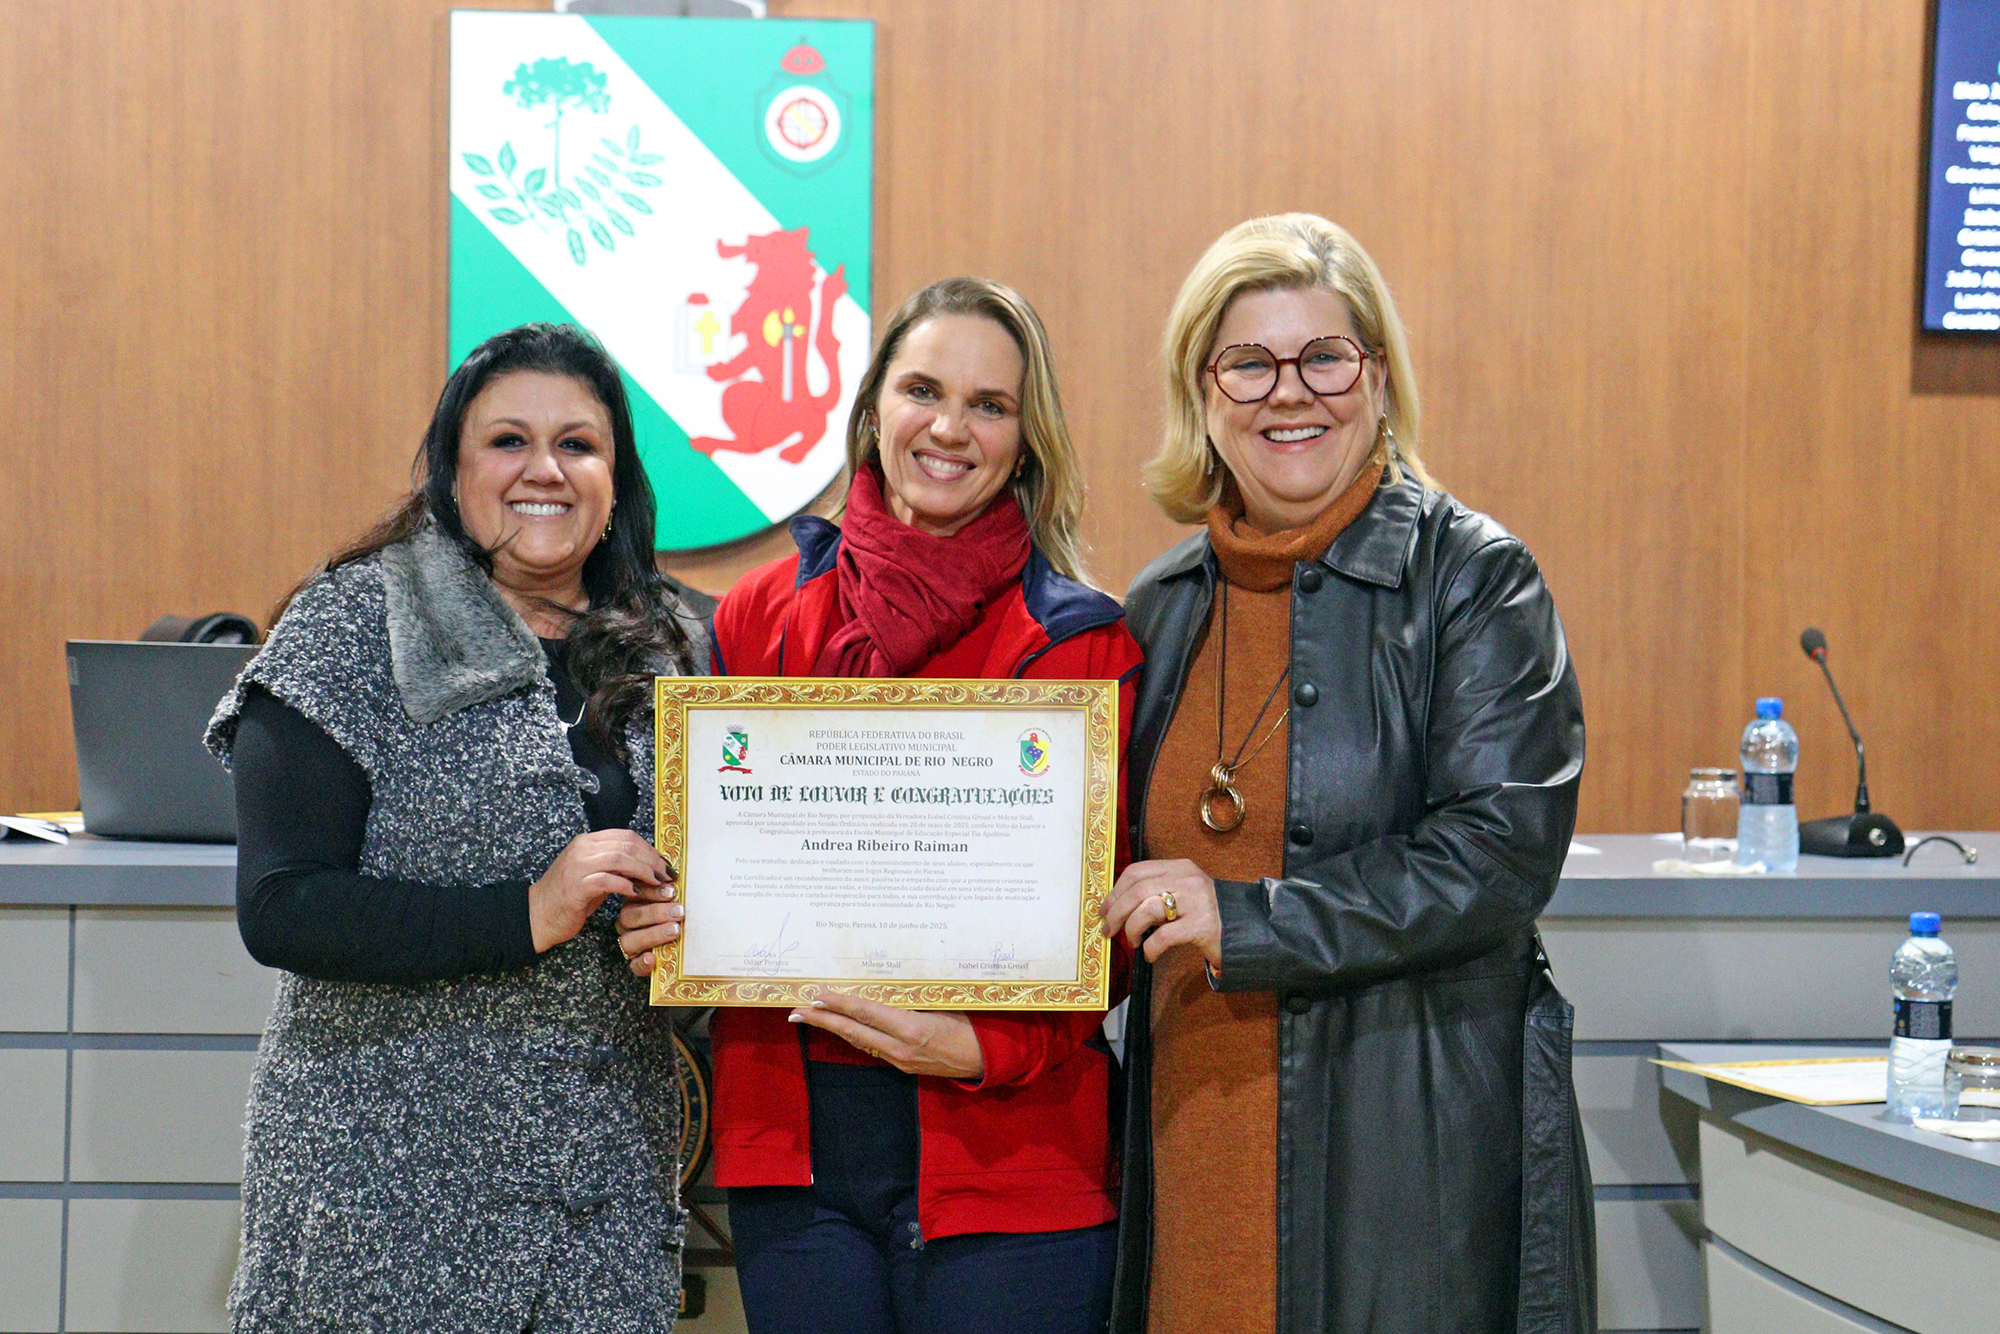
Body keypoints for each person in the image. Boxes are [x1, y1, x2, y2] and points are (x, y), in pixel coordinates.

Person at [618, 278, 1144, 1334]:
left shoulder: (1084, 643)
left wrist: (984, 1046)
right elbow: (708, 854)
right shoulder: (762, 614)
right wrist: (672, 912)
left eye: (990, 404)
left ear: (1025, 440)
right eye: (922, 388)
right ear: (871, 411)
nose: (950, 426)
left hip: (1014, 1156)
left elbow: (1112, 925)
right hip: (798, 1164)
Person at [1100, 215, 1594, 1334]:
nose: (1290, 393)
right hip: (1191, 1142)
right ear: (1201, 388)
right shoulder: (1159, 604)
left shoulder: (1473, 579)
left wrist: (1248, 918)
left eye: (1324, 356)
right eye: (1248, 361)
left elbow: (1498, 854)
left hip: (1399, 1170)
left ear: (1375, 375)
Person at [206, 323, 703, 1333]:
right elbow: (282, 905)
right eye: (507, 441)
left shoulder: (681, 640)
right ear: (450, 468)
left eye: (579, 444)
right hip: (381, 1190)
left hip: (599, 1194)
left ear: (616, 478)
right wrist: (525, 911)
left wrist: (698, 931)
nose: (545, 470)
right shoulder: (351, 623)